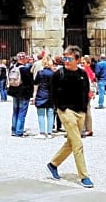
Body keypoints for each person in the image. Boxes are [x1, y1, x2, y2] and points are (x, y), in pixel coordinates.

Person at [46, 45, 93, 189]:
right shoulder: (58, 74)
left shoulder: (82, 74)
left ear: (77, 59)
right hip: (66, 110)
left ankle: (53, 164)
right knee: (78, 144)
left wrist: (84, 108)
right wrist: (60, 107)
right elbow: (53, 92)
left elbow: (86, 91)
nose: (66, 61)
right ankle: (84, 175)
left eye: (70, 58)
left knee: (72, 142)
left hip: (80, 111)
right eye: (65, 58)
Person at [33, 57, 55, 139]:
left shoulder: (40, 73)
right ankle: (49, 133)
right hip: (51, 95)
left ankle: (42, 132)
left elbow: (36, 84)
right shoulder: (53, 74)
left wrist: (34, 95)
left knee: (41, 114)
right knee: (50, 114)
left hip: (41, 94)